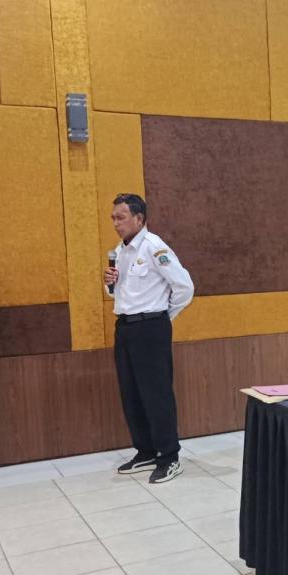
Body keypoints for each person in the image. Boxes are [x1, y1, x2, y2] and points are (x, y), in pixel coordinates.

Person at [104, 193, 194, 484]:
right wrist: (109, 285)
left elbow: (184, 287)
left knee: (157, 394)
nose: (116, 223)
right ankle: (145, 450)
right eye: (113, 218)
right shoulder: (119, 251)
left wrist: (162, 317)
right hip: (125, 327)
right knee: (131, 393)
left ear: (139, 218)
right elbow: (123, 293)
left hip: (151, 328)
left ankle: (169, 457)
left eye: (121, 217)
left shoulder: (155, 247)